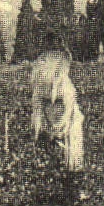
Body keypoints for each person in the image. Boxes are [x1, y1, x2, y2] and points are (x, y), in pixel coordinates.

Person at [29, 39, 84, 175]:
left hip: (65, 122)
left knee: (69, 152)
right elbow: (37, 107)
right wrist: (42, 123)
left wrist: (60, 128)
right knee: (49, 152)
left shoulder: (65, 86)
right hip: (49, 119)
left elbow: (68, 111)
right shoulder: (40, 82)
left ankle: (70, 174)